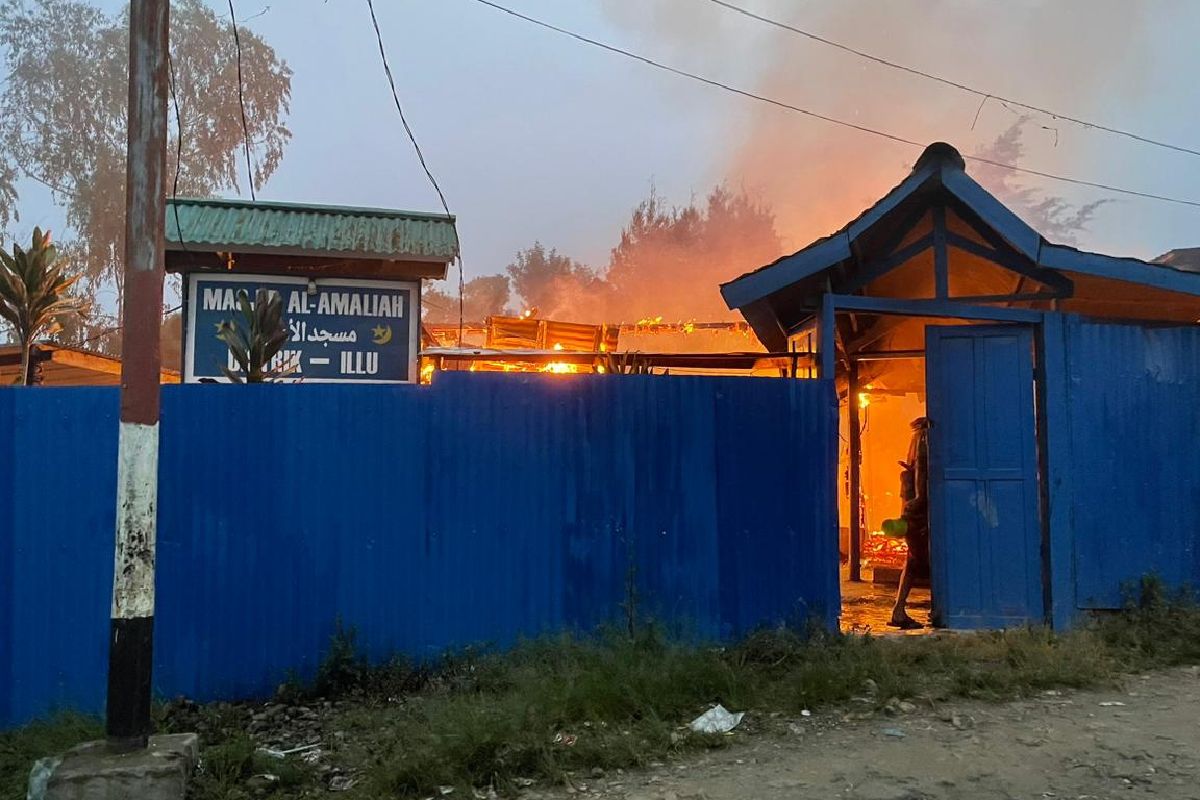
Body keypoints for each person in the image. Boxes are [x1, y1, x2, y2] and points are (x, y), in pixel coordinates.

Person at [889, 417, 931, 629]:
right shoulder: (924, 439)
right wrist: (922, 500)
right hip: (919, 512)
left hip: (910, 510)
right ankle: (901, 610)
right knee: (921, 560)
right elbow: (921, 475)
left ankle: (898, 610)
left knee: (912, 562)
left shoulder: (913, 439)